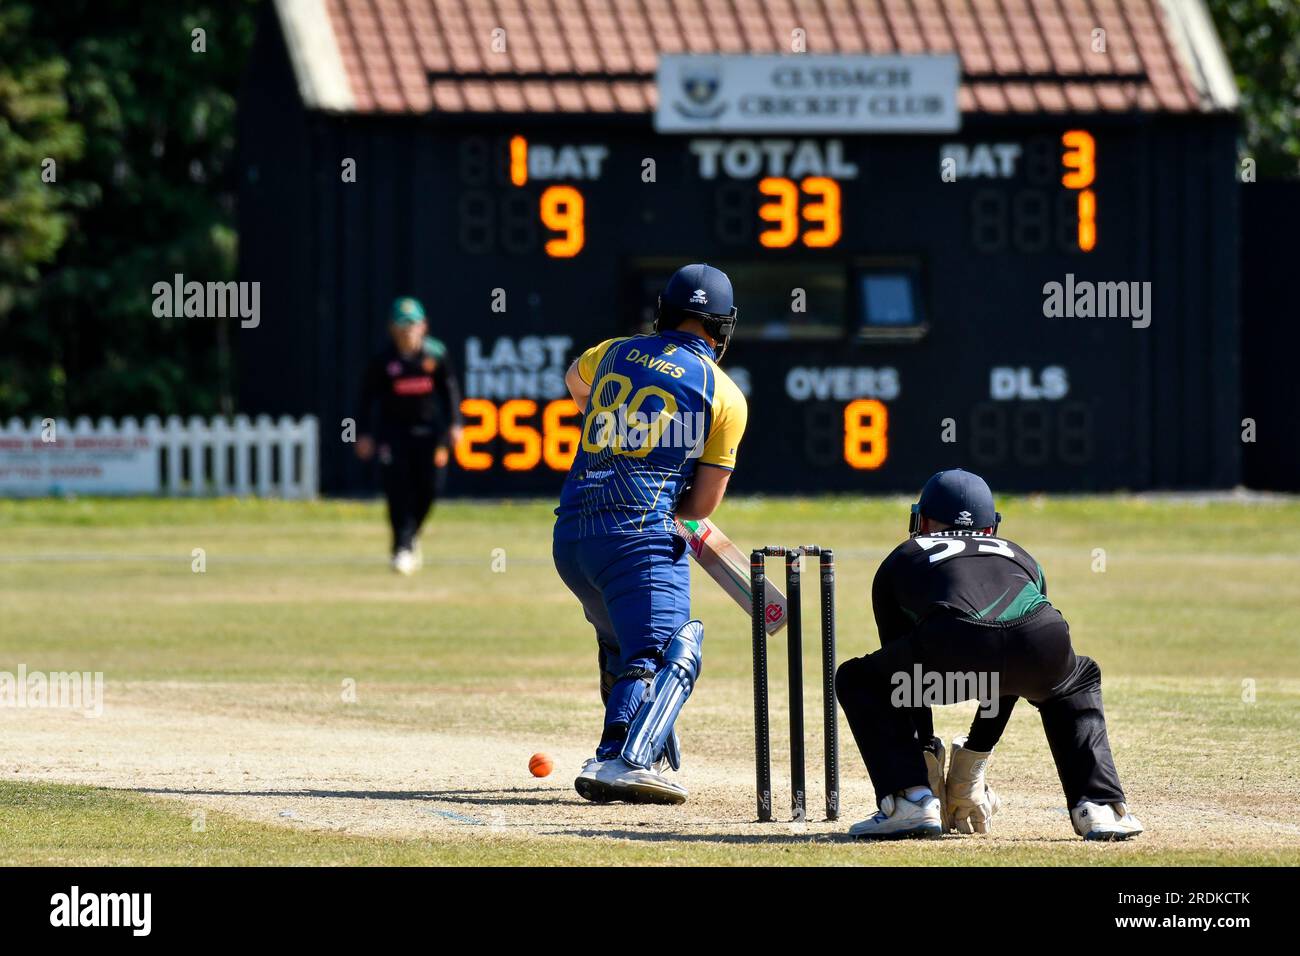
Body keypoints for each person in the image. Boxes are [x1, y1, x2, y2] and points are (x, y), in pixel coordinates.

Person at [835, 468, 1144, 841]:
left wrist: (924, 763)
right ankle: (1099, 807)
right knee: (1076, 680)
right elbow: (1009, 666)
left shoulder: (904, 556)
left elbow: (904, 682)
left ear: (925, 520)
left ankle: (909, 802)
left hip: (949, 646)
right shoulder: (1019, 553)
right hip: (1042, 641)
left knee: (859, 679)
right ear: (990, 527)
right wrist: (975, 757)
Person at [553, 263, 748, 805]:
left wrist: (620, 432)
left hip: (572, 539)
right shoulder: (724, 394)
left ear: (663, 312)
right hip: (636, 538)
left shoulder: (612, 352)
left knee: (623, 645)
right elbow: (702, 503)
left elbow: (574, 380)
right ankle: (626, 758)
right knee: (670, 652)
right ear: (723, 328)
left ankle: (617, 742)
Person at [356, 296, 463, 574]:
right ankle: (401, 546)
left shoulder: (435, 355)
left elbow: (449, 390)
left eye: (412, 324)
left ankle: (410, 536)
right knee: (397, 489)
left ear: (423, 326)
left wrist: (455, 423)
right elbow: (367, 398)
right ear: (392, 328)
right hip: (394, 434)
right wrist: (364, 433)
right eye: (402, 325)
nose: (407, 331)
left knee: (429, 488)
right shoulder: (383, 361)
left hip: (430, 434)